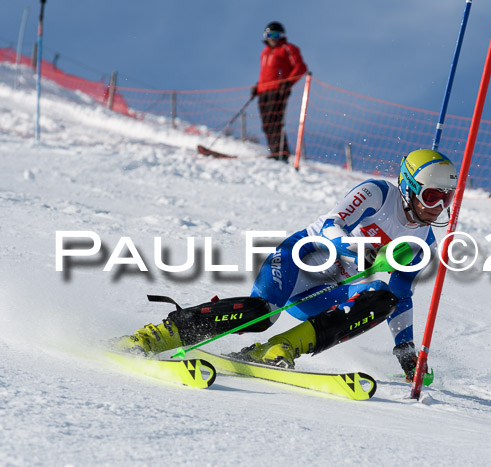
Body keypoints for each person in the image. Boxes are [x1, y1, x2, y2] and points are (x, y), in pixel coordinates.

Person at [114, 149, 459, 381]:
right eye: (431, 196)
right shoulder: (377, 194)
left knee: (382, 298)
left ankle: (279, 349)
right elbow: (329, 225)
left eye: (445, 198)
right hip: (301, 260)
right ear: (409, 187)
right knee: (259, 312)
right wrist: (354, 249)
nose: (437, 208)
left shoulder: (424, 241)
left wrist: (405, 349)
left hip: (334, 289)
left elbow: (402, 292)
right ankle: (157, 335)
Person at [252, 21, 308, 162]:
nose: (272, 38)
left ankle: (281, 153)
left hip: (278, 90)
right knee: (266, 124)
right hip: (263, 92)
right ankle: (275, 151)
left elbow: (300, 67)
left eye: (275, 35)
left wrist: (288, 82)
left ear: (281, 35)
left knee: (274, 121)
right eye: (269, 35)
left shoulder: (288, 48)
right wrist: (257, 87)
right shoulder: (264, 52)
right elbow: (265, 74)